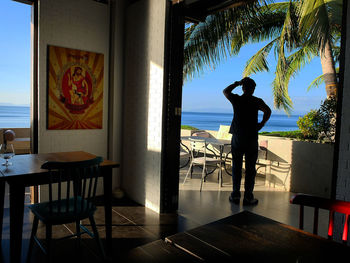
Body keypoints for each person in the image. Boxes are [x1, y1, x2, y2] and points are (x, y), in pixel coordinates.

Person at [223, 77, 271, 205]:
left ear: (243, 88)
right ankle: (248, 196)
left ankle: (235, 195)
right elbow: (268, 111)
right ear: (253, 89)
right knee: (250, 169)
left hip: (238, 137)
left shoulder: (238, 99)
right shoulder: (256, 101)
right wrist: (261, 124)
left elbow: (226, 91)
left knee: (236, 167)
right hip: (251, 137)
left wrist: (236, 83)